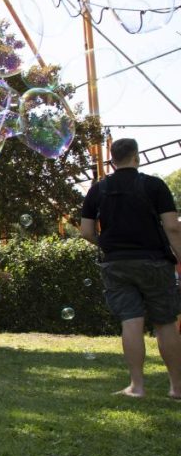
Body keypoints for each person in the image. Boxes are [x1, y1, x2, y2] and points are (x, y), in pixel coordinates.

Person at [80, 138, 181, 399]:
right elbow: (172, 227)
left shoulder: (97, 190)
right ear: (136, 158)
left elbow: (86, 231)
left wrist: (108, 243)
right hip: (155, 261)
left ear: (112, 161)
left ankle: (137, 386)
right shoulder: (154, 185)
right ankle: (177, 387)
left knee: (131, 321)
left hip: (116, 263)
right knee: (165, 324)